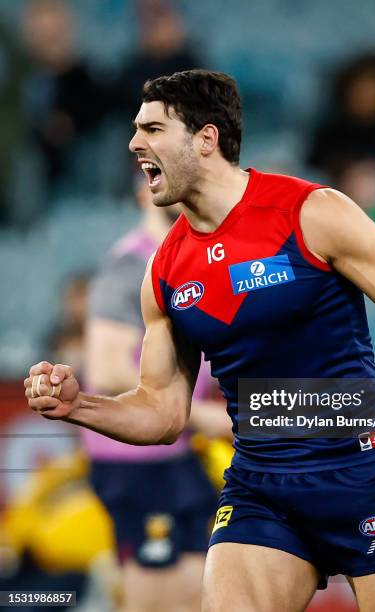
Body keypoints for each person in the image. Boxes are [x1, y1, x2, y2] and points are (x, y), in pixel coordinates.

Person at [25, 69, 375, 612]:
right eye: (136, 129)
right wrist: (78, 404)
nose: (134, 143)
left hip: (365, 472)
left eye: (153, 129)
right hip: (261, 485)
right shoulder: (164, 271)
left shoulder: (310, 212)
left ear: (205, 139)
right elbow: (162, 413)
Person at [83, 175, 229, 612]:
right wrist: (198, 414)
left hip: (172, 451)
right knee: (167, 599)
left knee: (199, 591)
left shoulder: (195, 261)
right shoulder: (129, 267)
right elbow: (107, 369)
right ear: (142, 192)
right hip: (136, 458)